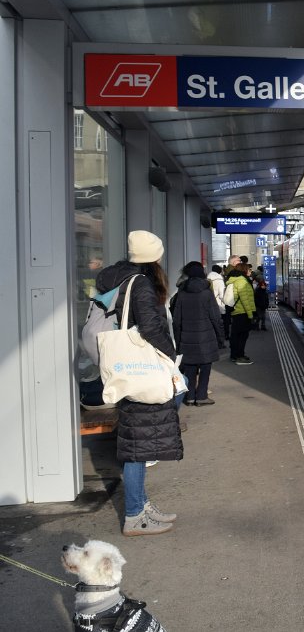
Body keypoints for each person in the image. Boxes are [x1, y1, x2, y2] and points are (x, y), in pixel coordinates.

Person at [94, 230, 181, 537]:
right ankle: (134, 515)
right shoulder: (141, 283)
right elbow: (150, 328)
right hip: (142, 369)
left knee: (138, 443)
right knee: (137, 450)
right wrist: (170, 357)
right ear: (153, 256)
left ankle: (142, 506)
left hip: (127, 369)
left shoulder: (118, 278)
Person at [172, 261, 225, 406]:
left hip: (187, 337)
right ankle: (201, 396)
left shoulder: (182, 293)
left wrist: (177, 339)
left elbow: (176, 320)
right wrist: (221, 337)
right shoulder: (207, 293)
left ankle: (189, 397)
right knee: (205, 367)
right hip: (206, 337)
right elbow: (216, 317)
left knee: (190, 368)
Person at [226, 263, 256, 364]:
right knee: (241, 336)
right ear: (244, 270)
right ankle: (240, 356)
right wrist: (250, 315)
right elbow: (245, 300)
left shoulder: (235, 280)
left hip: (236, 312)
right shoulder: (242, 282)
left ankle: (235, 355)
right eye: (249, 269)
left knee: (236, 335)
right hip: (243, 313)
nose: (250, 271)